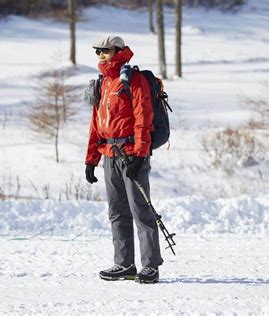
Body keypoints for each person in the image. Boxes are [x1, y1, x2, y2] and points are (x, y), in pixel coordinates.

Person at [84, 35, 163, 284]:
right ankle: (124, 264)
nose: (100, 56)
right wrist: (90, 159)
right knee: (117, 212)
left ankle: (150, 266)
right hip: (109, 156)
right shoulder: (103, 83)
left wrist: (140, 155)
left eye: (104, 51)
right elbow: (96, 125)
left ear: (117, 51)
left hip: (131, 154)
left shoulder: (134, 79)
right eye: (97, 52)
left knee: (140, 210)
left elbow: (143, 118)